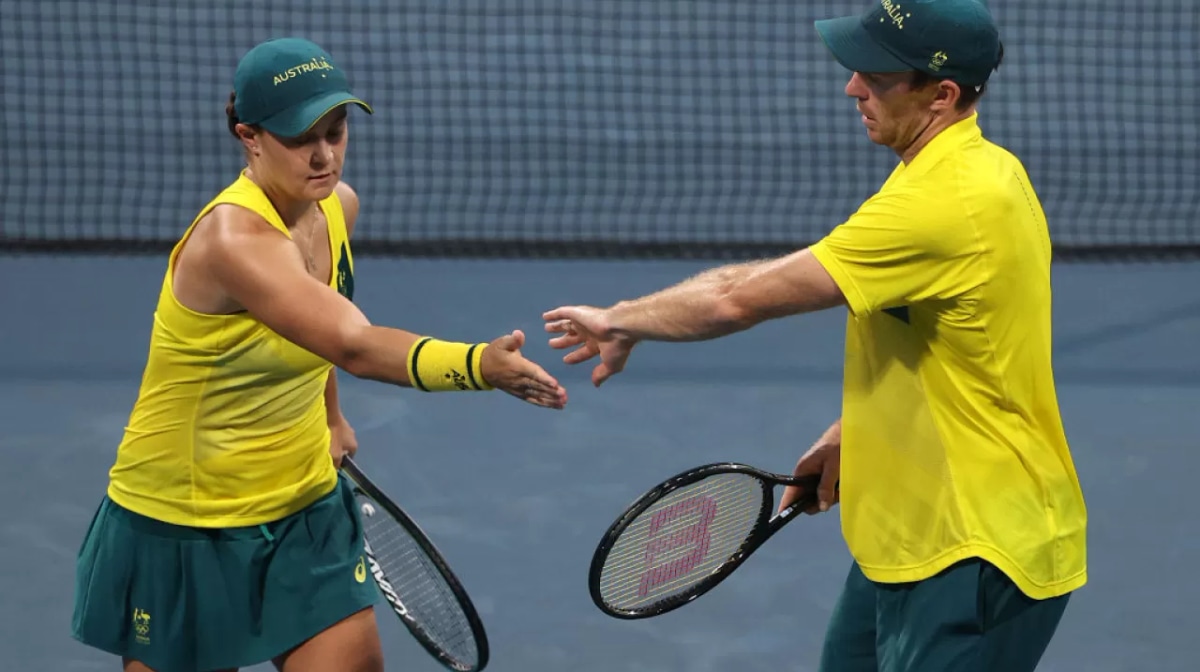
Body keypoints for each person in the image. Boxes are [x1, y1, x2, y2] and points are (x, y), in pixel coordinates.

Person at [543, 1, 1086, 670]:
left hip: (976, 546)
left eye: (878, 77)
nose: (852, 87)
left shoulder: (949, 203)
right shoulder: (952, 168)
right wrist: (856, 430)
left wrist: (620, 317)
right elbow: (944, 342)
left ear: (941, 94)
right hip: (908, 528)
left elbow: (735, 299)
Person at [71, 37, 568, 672]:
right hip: (186, 520)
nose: (324, 155)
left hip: (304, 508)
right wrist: (478, 366)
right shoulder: (234, 240)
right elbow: (354, 343)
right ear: (249, 137)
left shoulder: (337, 207)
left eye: (336, 133)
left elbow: (314, 325)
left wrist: (330, 415)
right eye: (301, 138)